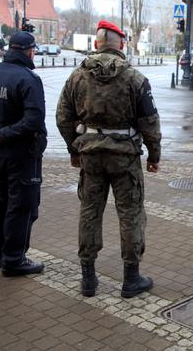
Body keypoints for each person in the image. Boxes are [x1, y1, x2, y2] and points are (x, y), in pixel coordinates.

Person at [56, 19, 161, 298]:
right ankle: (131, 279)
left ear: (95, 44)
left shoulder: (77, 77)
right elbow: (150, 121)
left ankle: (88, 280)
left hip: (90, 156)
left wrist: (74, 149)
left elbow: (63, 118)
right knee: (130, 214)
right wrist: (154, 155)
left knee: (90, 212)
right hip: (124, 158)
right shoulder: (135, 78)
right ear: (122, 45)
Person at [0, 31, 47, 277]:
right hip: (22, 154)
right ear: (29, 51)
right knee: (22, 206)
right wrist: (1, 133)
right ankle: (14, 260)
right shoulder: (28, 79)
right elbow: (34, 120)